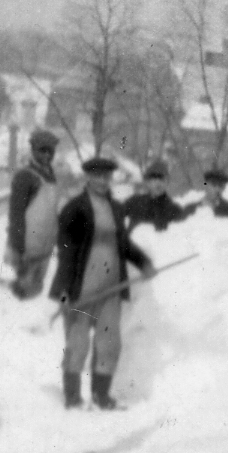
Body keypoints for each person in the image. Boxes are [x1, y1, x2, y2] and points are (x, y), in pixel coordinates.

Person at [50, 158, 155, 410]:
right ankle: (72, 399)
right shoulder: (74, 209)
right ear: (87, 177)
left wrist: (143, 263)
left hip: (111, 289)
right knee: (78, 344)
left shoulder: (116, 209)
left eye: (107, 176)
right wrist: (64, 293)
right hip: (81, 289)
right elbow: (65, 253)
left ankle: (101, 397)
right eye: (97, 176)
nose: (102, 181)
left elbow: (124, 245)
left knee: (109, 343)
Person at [4, 128, 64, 299]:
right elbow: (16, 216)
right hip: (27, 251)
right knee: (22, 295)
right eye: (42, 150)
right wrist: (17, 250)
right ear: (33, 150)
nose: (46, 155)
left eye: (50, 151)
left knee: (36, 292)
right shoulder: (25, 177)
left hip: (44, 250)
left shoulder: (51, 177)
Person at [119, 159, 187, 234]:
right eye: (154, 178)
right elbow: (115, 218)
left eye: (161, 178)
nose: (158, 183)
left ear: (167, 181)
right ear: (148, 182)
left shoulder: (174, 211)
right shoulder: (134, 202)